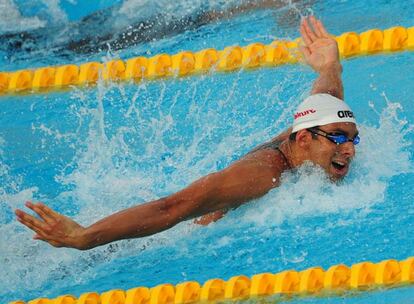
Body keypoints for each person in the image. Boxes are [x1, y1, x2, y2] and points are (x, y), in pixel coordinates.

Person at [15, 16, 359, 250]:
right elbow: (172, 208)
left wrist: (330, 65)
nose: (350, 149)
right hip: (155, 243)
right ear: (303, 138)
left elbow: (328, 97)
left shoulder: (315, 132)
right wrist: (84, 237)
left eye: (352, 138)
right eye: (340, 139)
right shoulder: (260, 176)